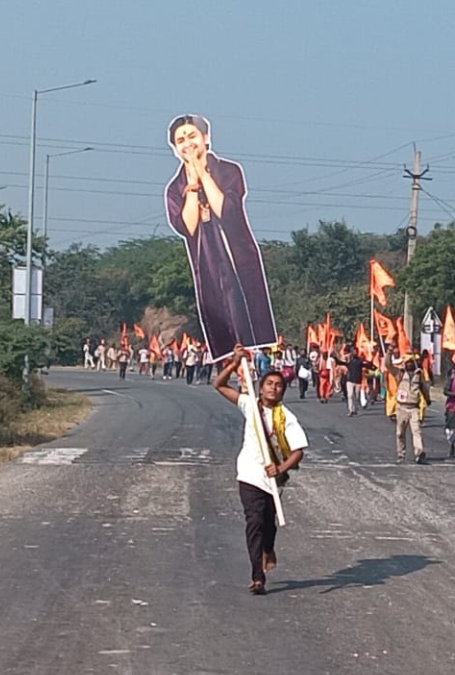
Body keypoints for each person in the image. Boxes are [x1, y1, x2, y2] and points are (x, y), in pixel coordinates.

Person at [165, 115, 277, 360]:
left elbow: (226, 211)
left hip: (240, 258)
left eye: (192, 136)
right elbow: (187, 226)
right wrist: (192, 185)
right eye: (180, 140)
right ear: (174, 149)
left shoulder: (228, 170)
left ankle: (255, 370)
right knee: (221, 322)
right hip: (207, 264)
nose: (188, 143)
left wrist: (204, 175)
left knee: (250, 317)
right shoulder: (175, 188)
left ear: (206, 138)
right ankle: (232, 369)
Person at [213, 344, 307, 596]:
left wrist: (280, 468)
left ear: (283, 391)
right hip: (248, 473)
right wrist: (234, 363)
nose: (273, 388)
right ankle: (257, 576)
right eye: (269, 384)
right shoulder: (249, 405)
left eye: (278, 385)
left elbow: (299, 450)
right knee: (253, 520)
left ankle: (268, 549)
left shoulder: (286, 417)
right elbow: (219, 386)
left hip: (274, 478)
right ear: (261, 387)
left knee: (267, 523)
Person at [392, 355, 432, 464]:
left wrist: (427, 399)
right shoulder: (400, 373)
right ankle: (401, 454)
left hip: (414, 408)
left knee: (417, 432)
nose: (409, 364)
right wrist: (389, 352)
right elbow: (387, 365)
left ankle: (419, 454)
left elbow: (424, 388)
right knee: (400, 433)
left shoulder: (419, 375)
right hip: (401, 408)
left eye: (411, 362)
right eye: (407, 362)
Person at [344, 348, 373, 416]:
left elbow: (367, 365)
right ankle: (351, 409)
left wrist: (369, 362)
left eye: (356, 351)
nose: (354, 353)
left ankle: (355, 409)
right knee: (350, 395)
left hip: (357, 381)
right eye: (353, 351)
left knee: (357, 396)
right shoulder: (348, 360)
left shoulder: (360, 360)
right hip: (350, 380)